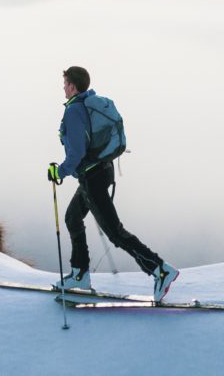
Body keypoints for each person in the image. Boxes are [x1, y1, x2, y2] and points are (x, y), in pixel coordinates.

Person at [47, 65, 180, 303]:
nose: (63, 88)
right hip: (102, 171)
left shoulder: (74, 111)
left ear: (73, 86)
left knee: (115, 233)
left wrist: (60, 171)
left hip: (92, 178)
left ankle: (161, 270)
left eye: (65, 83)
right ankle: (80, 275)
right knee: (73, 218)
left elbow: (76, 152)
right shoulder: (90, 103)